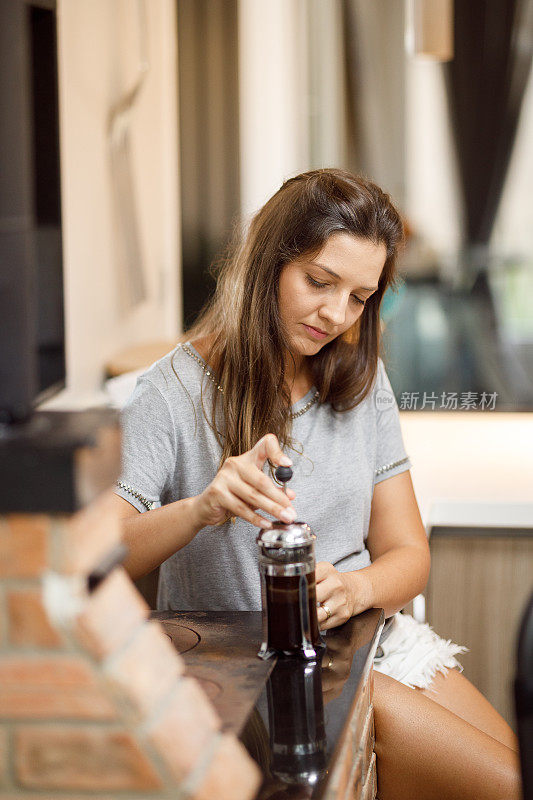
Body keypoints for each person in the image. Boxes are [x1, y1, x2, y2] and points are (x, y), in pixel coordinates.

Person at [111, 168, 521, 799]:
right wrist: (201, 508)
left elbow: (409, 556)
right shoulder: (171, 393)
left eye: (359, 297)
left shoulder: (361, 380)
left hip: (369, 640)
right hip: (263, 675)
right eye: (319, 283)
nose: (336, 315)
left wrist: (355, 588)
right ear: (266, 264)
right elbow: (105, 553)